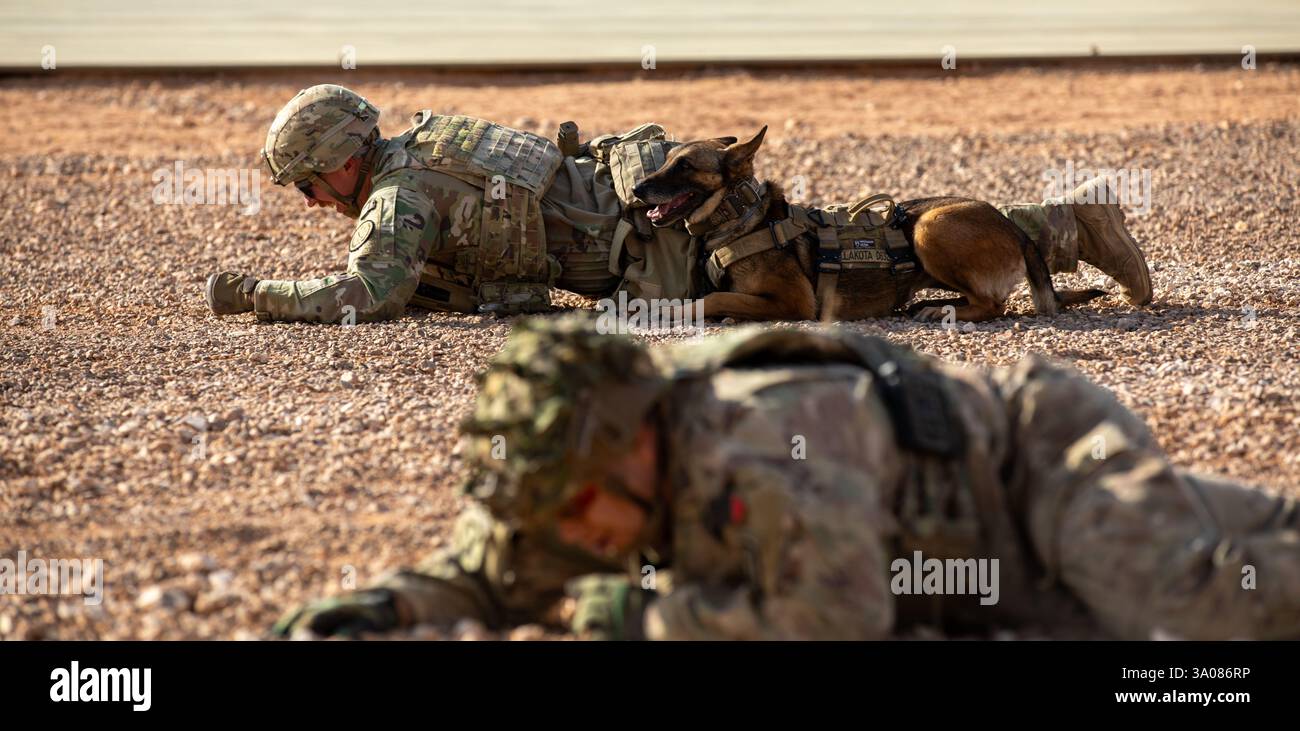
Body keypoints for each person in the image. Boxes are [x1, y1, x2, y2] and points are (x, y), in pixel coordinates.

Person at [275, 315, 1296, 640]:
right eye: (554, 512)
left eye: (579, 504)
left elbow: (835, 614)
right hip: (960, 567)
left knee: (1176, 600)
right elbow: (491, 573)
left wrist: (644, 617)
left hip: (1030, 464)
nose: (576, 533)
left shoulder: (770, 437)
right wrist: (382, 607)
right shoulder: (576, 481)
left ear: (637, 441)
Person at [207, 84, 1151, 324]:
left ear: (337, 163)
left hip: (646, 237)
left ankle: (1061, 225)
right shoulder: (424, 141)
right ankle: (1055, 226)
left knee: (832, 259)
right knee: (824, 237)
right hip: (633, 179)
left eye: (305, 185)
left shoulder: (396, 198)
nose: (308, 202)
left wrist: (253, 294)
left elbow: (362, 296)